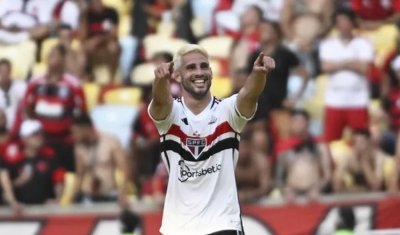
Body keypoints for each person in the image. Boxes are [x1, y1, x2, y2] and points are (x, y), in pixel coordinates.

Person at [148, 43, 275, 235]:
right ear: (177, 76)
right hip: (179, 227)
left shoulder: (227, 111)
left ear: (211, 72)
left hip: (222, 224)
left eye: (204, 66)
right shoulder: (171, 114)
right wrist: (159, 81)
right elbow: (160, 101)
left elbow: (249, 94)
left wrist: (258, 74)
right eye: (191, 67)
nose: (199, 72)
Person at [22, 45, 87, 172]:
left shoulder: (72, 84)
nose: (51, 57)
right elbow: (27, 107)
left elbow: (81, 111)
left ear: (63, 60)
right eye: (50, 54)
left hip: (64, 140)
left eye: (56, 55)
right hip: (41, 140)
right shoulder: (35, 82)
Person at [319, 8, 373, 143]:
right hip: (334, 100)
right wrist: (351, 62)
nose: (342, 25)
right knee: (331, 140)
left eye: (345, 21)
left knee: (361, 140)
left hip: (358, 100)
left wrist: (339, 63)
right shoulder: (328, 44)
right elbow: (326, 67)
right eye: (339, 22)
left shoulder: (364, 43)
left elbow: (364, 68)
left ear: (352, 23)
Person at [0, 119, 65, 213]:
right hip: (21, 209)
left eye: (40, 133)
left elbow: (58, 180)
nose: (39, 137)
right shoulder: (13, 158)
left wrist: (58, 200)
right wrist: (13, 202)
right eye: (34, 135)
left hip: (45, 208)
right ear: (24, 138)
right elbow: (5, 183)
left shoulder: (50, 155)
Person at [71, 114, 129, 207]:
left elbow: (125, 169)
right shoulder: (79, 148)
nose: (73, 136)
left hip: (110, 194)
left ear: (85, 130)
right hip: (90, 196)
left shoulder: (110, 142)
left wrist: (123, 193)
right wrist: (75, 195)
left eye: (76, 132)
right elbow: (80, 175)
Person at [275, 110, 331, 201]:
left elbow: (327, 175)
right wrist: (286, 190)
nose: (298, 125)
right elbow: (278, 177)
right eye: (294, 121)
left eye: (301, 121)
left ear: (308, 123)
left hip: (314, 193)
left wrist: (318, 189)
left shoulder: (319, 145)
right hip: (291, 194)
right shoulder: (283, 147)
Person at [235, 131, 271, 204]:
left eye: (245, 147)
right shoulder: (229, 162)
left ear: (250, 147)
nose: (243, 151)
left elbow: (265, 188)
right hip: (233, 199)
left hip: (258, 200)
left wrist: (247, 196)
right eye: (240, 148)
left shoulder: (260, 162)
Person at [0, 59, 27, 130]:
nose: (4, 74)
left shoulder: (21, 87)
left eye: (6, 71)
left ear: (10, 71)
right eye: (1, 72)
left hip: (19, 124)